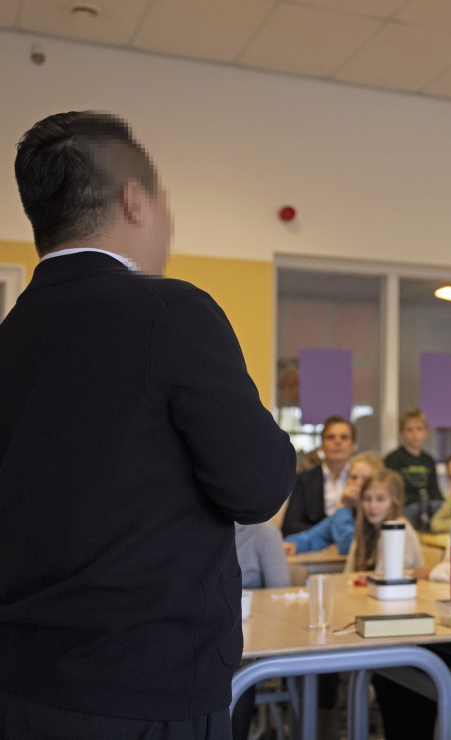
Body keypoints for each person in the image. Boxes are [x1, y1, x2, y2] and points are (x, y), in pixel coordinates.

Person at [0, 111, 296, 737]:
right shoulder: (172, 312)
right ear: (136, 200)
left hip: (22, 679)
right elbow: (259, 486)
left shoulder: (11, 337)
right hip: (145, 686)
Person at [232, 522, 291, 738]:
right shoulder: (197, 528)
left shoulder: (264, 534)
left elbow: (281, 596)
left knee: (235, 663)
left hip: (252, 636)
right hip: (205, 630)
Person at [281, 452, 384, 557]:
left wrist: (344, 506)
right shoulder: (350, 511)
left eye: (365, 479)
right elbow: (317, 535)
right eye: (353, 477)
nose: (357, 483)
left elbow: (347, 547)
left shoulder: (379, 512)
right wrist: (294, 544)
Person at [281, 415, 356, 536]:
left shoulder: (364, 480)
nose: (337, 441)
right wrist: (331, 533)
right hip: (314, 552)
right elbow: (289, 526)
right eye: (331, 437)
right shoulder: (304, 480)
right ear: (321, 445)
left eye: (344, 437)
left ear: (353, 446)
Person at [344, 468, 423, 573]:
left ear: (394, 502)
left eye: (380, 499)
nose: (372, 506)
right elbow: (348, 574)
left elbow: (384, 580)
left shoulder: (398, 530)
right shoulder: (366, 529)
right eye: (367, 499)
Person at [384, 408, 443, 530]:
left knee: (441, 507)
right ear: (402, 433)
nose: (415, 434)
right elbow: (391, 490)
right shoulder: (393, 458)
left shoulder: (428, 460)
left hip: (427, 504)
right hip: (406, 506)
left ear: (425, 432)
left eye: (419, 429)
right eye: (409, 430)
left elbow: (434, 489)